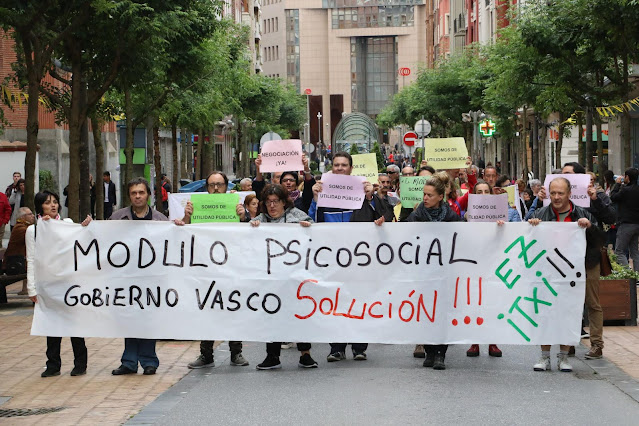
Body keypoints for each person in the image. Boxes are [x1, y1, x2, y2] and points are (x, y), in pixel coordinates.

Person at [309, 152, 386, 361]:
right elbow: (312, 221)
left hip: (359, 258)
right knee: (335, 301)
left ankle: (360, 347)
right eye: (336, 165)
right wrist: (315, 199)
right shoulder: (323, 191)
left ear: (351, 168)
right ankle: (337, 347)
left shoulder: (363, 190)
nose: (340, 168)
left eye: (344, 165)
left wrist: (372, 197)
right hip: (332, 258)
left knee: (359, 300)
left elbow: (383, 218)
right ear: (332, 167)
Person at [529, 177, 605, 371]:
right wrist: (533, 225)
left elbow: (599, 240)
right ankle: (544, 356)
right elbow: (528, 239)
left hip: (575, 271)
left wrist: (589, 227)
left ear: (569, 194)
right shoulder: (541, 213)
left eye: (560, 193)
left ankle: (564, 357)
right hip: (549, 269)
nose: (556, 197)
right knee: (546, 310)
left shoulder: (583, 213)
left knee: (568, 310)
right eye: (553, 193)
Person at [110, 178, 181, 376]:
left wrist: (179, 228)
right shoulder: (117, 218)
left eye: (141, 192)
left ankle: (149, 361)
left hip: (152, 279)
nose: (138, 196)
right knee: (129, 319)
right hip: (126, 278)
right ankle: (129, 361)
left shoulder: (160, 220)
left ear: (148, 194)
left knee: (149, 320)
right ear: (129, 196)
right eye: (134, 193)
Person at [183, 171, 249, 368]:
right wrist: (187, 216)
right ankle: (206, 353)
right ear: (207, 188)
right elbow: (183, 232)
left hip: (231, 267)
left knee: (233, 308)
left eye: (220, 184)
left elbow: (249, 234)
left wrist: (243, 216)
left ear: (226, 186)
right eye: (212, 185)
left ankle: (236, 352)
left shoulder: (236, 205)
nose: (216, 188)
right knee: (207, 310)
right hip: (205, 268)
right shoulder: (196, 207)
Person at [250, 184, 318, 370]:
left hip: (295, 279)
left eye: (276, 202)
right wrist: (252, 228)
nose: (272, 206)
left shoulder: (297, 215)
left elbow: (317, 235)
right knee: (272, 316)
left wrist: (308, 228)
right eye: (269, 202)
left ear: (284, 202)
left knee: (300, 315)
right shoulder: (260, 220)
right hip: (271, 281)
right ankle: (272, 356)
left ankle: (306, 354)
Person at [26, 190, 92, 377]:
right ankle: (53, 365)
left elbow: (81, 239)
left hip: (69, 282)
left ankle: (80, 363)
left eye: (55, 202)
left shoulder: (67, 224)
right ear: (40, 206)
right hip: (48, 283)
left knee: (74, 324)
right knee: (51, 325)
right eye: (48, 202)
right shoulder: (34, 230)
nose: (53, 205)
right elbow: (31, 259)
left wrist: (86, 226)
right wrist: (32, 288)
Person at [407, 172, 462, 370]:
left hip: (445, 273)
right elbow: (403, 238)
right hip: (423, 273)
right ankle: (429, 351)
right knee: (425, 311)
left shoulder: (451, 217)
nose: (425, 198)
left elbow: (465, 236)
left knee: (441, 313)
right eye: (424, 194)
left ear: (441, 197)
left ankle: (441, 353)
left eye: (430, 195)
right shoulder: (416, 216)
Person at [561, 162, 615, 359]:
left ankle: (596, 344)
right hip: (564, 257)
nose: (563, 175)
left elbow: (610, 218)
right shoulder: (557, 195)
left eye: (567, 173)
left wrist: (595, 200)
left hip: (589, 256)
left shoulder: (596, 196)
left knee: (592, 301)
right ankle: (570, 341)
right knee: (568, 301)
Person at [465, 180, 507, 358]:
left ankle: (492, 342)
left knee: (492, 301)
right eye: (479, 192)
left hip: (494, 263)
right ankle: (474, 341)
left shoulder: (501, 214)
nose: (483, 195)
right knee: (475, 302)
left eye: (486, 192)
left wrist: (501, 227)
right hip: (474, 263)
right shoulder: (468, 215)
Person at [610, 168, 639, 272]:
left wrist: (617, 184)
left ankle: (627, 274)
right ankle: (637, 275)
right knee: (635, 252)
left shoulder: (625, 190)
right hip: (636, 224)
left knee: (619, 251)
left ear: (627, 177)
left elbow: (613, 197)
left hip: (626, 224)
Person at [4, 207, 34, 295]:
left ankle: (26, 288)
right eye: (30, 214)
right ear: (23, 217)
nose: (33, 216)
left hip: (19, 261)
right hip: (14, 263)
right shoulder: (20, 229)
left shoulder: (24, 227)